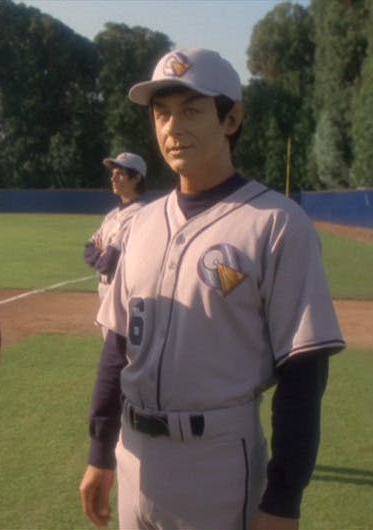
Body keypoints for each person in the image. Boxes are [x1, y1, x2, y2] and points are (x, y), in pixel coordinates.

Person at [79, 48, 345, 530]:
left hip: (218, 461)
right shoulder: (140, 224)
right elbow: (118, 349)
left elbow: (304, 373)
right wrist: (101, 452)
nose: (172, 127)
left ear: (232, 119)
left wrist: (283, 500)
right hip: (134, 453)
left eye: (191, 110)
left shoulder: (277, 225)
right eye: (162, 113)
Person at [84, 152, 149, 334]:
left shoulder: (140, 214)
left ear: (136, 178)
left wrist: (102, 253)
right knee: (111, 348)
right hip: (104, 290)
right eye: (112, 173)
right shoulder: (112, 215)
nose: (113, 178)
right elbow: (88, 251)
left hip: (122, 291)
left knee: (122, 351)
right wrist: (100, 254)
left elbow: (108, 262)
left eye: (120, 174)